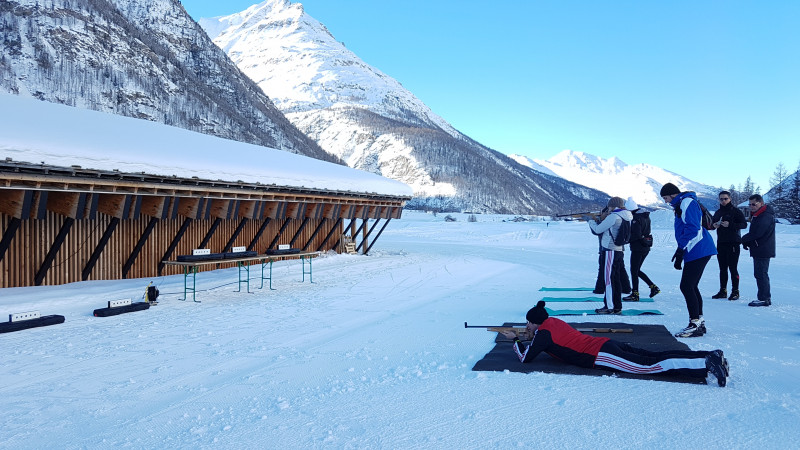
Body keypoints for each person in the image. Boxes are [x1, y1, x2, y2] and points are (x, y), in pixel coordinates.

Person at [500, 301, 728, 386]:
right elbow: (546, 339)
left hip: (601, 355)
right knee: (652, 356)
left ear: (534, 322)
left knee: (647, 367)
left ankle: (706, 362)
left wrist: (517, 339)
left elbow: (525, 358)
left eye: (528, 323)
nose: (527, 326)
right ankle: (709, 355)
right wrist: (530, 336)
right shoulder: (553, 321)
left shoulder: (542, 334)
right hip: (605, 344)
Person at [660, 183, 717, 337]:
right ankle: (699, 322)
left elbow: (693, 228)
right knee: (692, 286)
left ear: (673, 194)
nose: (666, 201)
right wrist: (681, 250)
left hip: (699, 248)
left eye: (666, 198)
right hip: (697, 249)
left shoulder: (687, 202)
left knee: (686, 286)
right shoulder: (682, 203)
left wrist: (681, 249)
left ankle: (695, 323)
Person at [587, 197, 633, 314]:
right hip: (618, 250)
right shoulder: (626, 215)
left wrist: (590, 221)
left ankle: (609, 306)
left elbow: (598, 230)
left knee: (608, 280)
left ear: (613, 206)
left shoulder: (614, 216)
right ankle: (616, 306)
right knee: (615, 279)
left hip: (609, 250)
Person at [710, 191, 747, 300]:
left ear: (730, 199)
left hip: (733, 244)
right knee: (722, 269)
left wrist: (730, 225)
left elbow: (744, 224)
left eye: (725, 199)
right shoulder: (718, 212)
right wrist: (714, 225)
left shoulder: (736, 211)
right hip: (721, 243)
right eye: (721, 199)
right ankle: (723, 290)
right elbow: (712, 224)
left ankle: (735, 291)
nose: (723, 201)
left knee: (733, 268)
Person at [741, 194, 775, 307]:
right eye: (749, 204)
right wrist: (747, 242)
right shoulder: (759, 214)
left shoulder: (765, 215)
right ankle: (764, 297)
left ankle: (764, 298)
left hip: (763, 249)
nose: (751, 206)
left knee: (761, 273)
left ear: (761, 203)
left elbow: (757, 233)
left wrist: (742, 239)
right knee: (760, 273)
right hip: (759, 247)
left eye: (754, 204)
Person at [623, 197, 660, 301]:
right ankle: (653, 287)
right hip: (646, 246)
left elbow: (636, 234)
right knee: (637, 270)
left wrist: (626, 240)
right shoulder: (645, 216)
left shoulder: (635, 218)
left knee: (634, 271)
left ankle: (635, 294)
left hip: (637, 247)